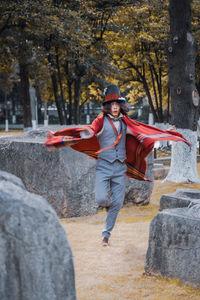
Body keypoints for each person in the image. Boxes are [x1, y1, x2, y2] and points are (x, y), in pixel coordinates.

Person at [44, 84, 190, 247]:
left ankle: (106, 235)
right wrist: (74, 136)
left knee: (118, 203)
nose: (114, 107)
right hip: (104, 166)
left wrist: (165, 132)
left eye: (117, 104)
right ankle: (106, 205)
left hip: (120, 168)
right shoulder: (100, 120)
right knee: (101, 198)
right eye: (111, 104)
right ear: (107, 106)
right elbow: (90, 130)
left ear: (120, 106)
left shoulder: (126, 122)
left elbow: (144, 131)